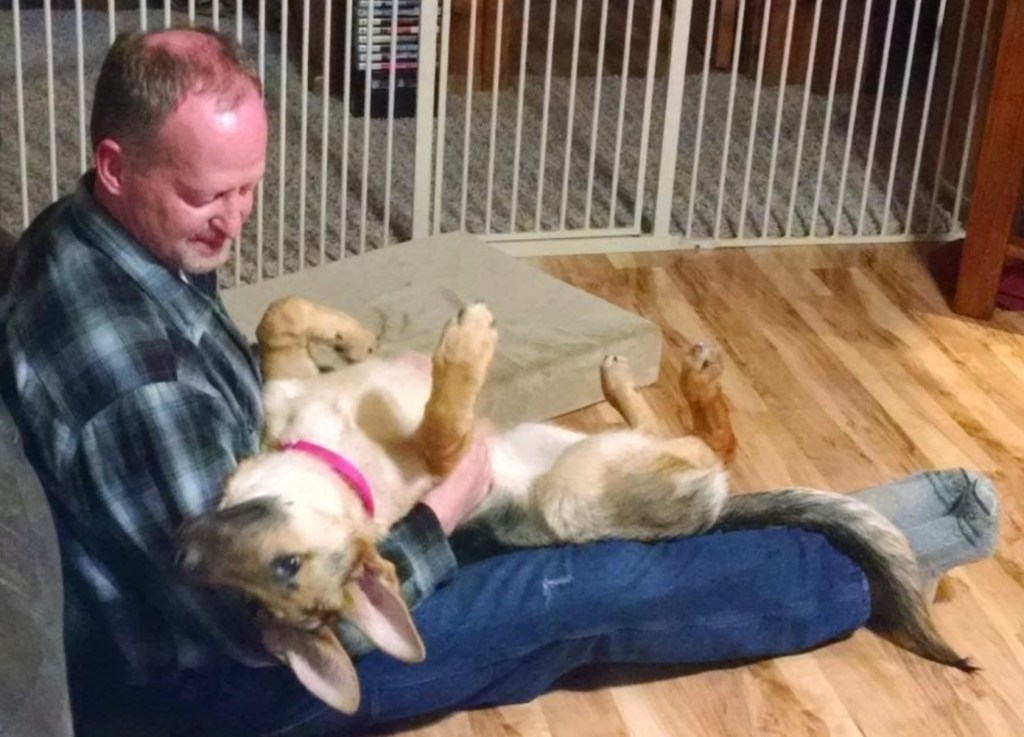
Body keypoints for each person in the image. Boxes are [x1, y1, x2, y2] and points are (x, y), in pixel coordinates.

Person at [0, 27, 998, 737]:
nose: (234, 221)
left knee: (541, 602)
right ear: (115, 162)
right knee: (567, 586)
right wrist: (439, 513)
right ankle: (874, 551)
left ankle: (763, 544)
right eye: (204, 194)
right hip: (223, 681)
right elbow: (246, 622)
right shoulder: (141, 386)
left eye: (248, 185)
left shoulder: (91, 235)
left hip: (284, 564)